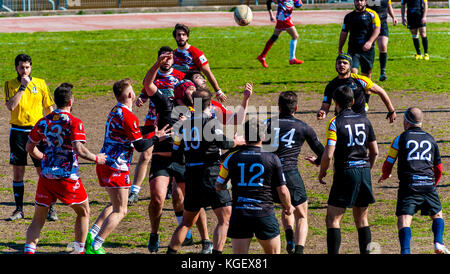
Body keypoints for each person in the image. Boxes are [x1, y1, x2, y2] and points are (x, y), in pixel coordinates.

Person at [86, 79, 171, 254]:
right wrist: (157, 137)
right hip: (117, 167)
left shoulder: (115, 111)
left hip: (105, 163)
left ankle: (92, 235)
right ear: (131, 95)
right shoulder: (128, 116)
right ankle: (96, 246)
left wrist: (150, 131)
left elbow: (131, 131)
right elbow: (140, 146)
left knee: (114, 204)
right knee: (121, 210)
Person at [140, 53, 212, 253]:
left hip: (185, 162)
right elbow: (148, 85)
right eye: (190, 87)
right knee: (157, 199)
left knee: (188, 199)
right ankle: (154, 233)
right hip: (162, 160)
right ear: (181, 91)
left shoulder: (198, 111)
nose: (194, 90)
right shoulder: (166, 103)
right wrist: (157, 64)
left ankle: (205, 239)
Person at [23, 83, 107, 254]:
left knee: (38, 219)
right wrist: (97, 158)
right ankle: (79, 250)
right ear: (71, 101)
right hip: (67, 177)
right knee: (84, 212)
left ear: (55, 100)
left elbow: (29, 147)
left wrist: (44, 158)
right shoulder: (74, 122)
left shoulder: (43, 122)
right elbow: (80, 149)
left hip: (46, 177)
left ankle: (28, 250)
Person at [166, 88, 245, 254]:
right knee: (225, 218)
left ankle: (171, 252)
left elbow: (176, 151)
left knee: (186, 222)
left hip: (192, 175)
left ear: (194, 104)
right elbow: (223, 143)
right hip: (210, 173)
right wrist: (236, 142)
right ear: (209, 103)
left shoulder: (183, 125)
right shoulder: (210, 122)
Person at [216, 118, 294, 254]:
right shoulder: (272, 158)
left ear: (245, 136)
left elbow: (219, 185)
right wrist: (288, 207)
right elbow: (282, 190)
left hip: (240, 214)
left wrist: (233, 185)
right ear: (263, 136)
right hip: (264, 214)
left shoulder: (231, 158)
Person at [378, 107, 448, 254]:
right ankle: (438, 242)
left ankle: (405, 251)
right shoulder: (431, 139)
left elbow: (389, 161)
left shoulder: (400, 138)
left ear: (406, 121)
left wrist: (385, 174)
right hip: (428, 183)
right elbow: (439, 168)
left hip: (409, 185)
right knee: (437, 214)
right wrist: (432, 184)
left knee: (404, 219)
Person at [319, 85, 379, 254]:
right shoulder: (365, 120)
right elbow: (374, 151)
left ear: (335, 102)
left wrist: (322, 171)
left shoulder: (335, 122)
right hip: (363, 170)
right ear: (353, 101)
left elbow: (328, 155)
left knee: (333, 219)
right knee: (362, 219)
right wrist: (367, 169)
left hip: (345, 172)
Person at [264, 91, 324, 254]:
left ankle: (289, 237)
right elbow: (322, 151)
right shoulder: (304, 127)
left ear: (278, 107)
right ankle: (298, 250)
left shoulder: (267, 123)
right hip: (290, 173)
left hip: (269, 175)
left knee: (286, 207)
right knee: (302, 214)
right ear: (296, 107)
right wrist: (318, 162)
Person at [3, 54, 57, 222]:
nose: (24, 70)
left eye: (27, 67)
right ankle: (19, 210)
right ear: (16, 68)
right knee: (18, 172)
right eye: (21, 67)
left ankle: (50, 208)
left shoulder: (40, 83)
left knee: (43, 171)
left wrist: (53, 129)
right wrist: (22, 88)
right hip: (18, 132)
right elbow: (11, 106)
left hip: (38, 132)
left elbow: (49, 108)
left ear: (31, 67)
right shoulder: (10, 85)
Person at [129, 46, 184, 205]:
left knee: (174, 152)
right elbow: (145, 92)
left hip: (172, 121)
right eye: (163, 58)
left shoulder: (179, 77)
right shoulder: (153, 75)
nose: (167, 61)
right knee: (146, 154)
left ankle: (169, 186)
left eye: (170, 58)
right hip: (153, 120)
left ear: (174, 59)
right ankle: (135, 191)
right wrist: (142, 99)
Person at [316, 53, 396, 123]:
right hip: (341, 121)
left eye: (345, 63)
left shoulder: (359, 80)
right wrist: (323, 112)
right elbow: (325, 106)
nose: (341, 65)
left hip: (360, 120)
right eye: (339, 63)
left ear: (350, 66)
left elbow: (380, 91)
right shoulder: (331, 85)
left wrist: (391, 111)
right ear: (336, 65)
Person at [172, 23, 227, 103]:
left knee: (198, 113)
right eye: (179, 35)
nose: (181, 37)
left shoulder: (196, 53)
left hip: (195, 93)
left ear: (187, 37)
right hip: (179, 93)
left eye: (184, 35)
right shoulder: (172, 54)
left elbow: (207, 72)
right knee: (179, 114)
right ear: (175, 37)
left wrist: (218, 91)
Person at [338, 0, 381, 80]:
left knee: (366, 77)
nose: (359, 2)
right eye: (357, 0)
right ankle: (355, 91)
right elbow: (344, 32)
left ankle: (366, 92)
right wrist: (340, 48)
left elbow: (377, 29)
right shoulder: (348, 17)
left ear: (365, 2)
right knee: (353, 72)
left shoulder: (372, 15)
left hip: (368, 50)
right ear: (354, 2)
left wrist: (370, 42)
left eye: (361, 0)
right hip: (353, 49)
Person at [257, 0, 304, 68]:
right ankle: (292, 59)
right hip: (283, 18)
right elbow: (268, 2)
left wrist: (299, 3)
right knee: (295, 36)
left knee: (274, 37)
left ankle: (262, 56)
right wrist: (271, 15)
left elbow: (297, 5)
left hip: (283, 18)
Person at [367, 0, 398, 81]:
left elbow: (389, 6)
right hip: (369, 24)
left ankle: (382, 72)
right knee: (370, 48)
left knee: (383, 45)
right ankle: (368, 72)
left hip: (382, 23)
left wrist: (393, 17)